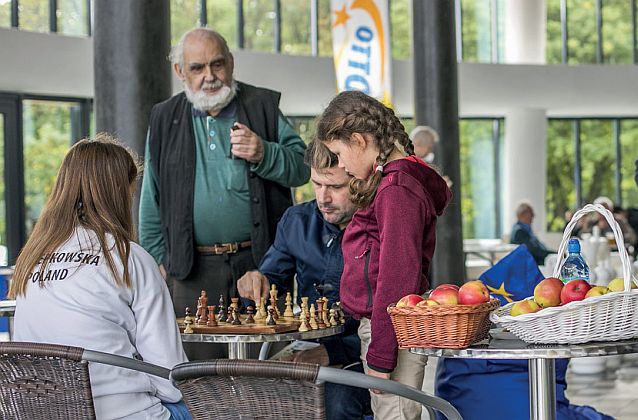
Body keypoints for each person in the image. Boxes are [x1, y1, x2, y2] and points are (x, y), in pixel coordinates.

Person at [10, 135, 190, 420]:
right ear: (119, 193)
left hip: (40, 413)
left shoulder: (32, 260)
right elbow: (172, 376)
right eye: (131, 192)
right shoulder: (129, 257)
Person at [138, 28, 310, 318]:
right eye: (197, 68)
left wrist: (264, 153)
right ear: (180, 71)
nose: (210, 75)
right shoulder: (165, 118)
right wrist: (159, 262)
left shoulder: (262, 107)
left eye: (217, 64)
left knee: (264, 359)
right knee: (196, 362)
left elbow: (303, 168)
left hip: (262, 264)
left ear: (231, 62)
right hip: (190, 271)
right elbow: (151, 200)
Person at [316, 90, 452, 420]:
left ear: (360, 140)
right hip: (390, 329)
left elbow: (397, 277)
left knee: (395, 414)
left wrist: (380, 355)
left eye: (339, 153)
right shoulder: (395, 182)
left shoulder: (396, 189)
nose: (342, 166)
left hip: (391, 332)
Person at [237, 140, 370, 419]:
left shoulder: (382, 228)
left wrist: (333, 355)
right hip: (308, 346)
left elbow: (398, 317)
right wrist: (256, 280)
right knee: (252, 394)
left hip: (364, 354)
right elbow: (271, 279)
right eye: (316, 184)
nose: (323, 198)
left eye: (335, 187)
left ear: (360, 183)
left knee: (335, 401)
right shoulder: (296, 220)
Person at [510, 201, 554, 266]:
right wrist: (557, 254)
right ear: (522, 215)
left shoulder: (525, 230)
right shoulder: (519, 232)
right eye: (531, 213)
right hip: (531, 265)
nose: (533, 216)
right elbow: (535, 251)